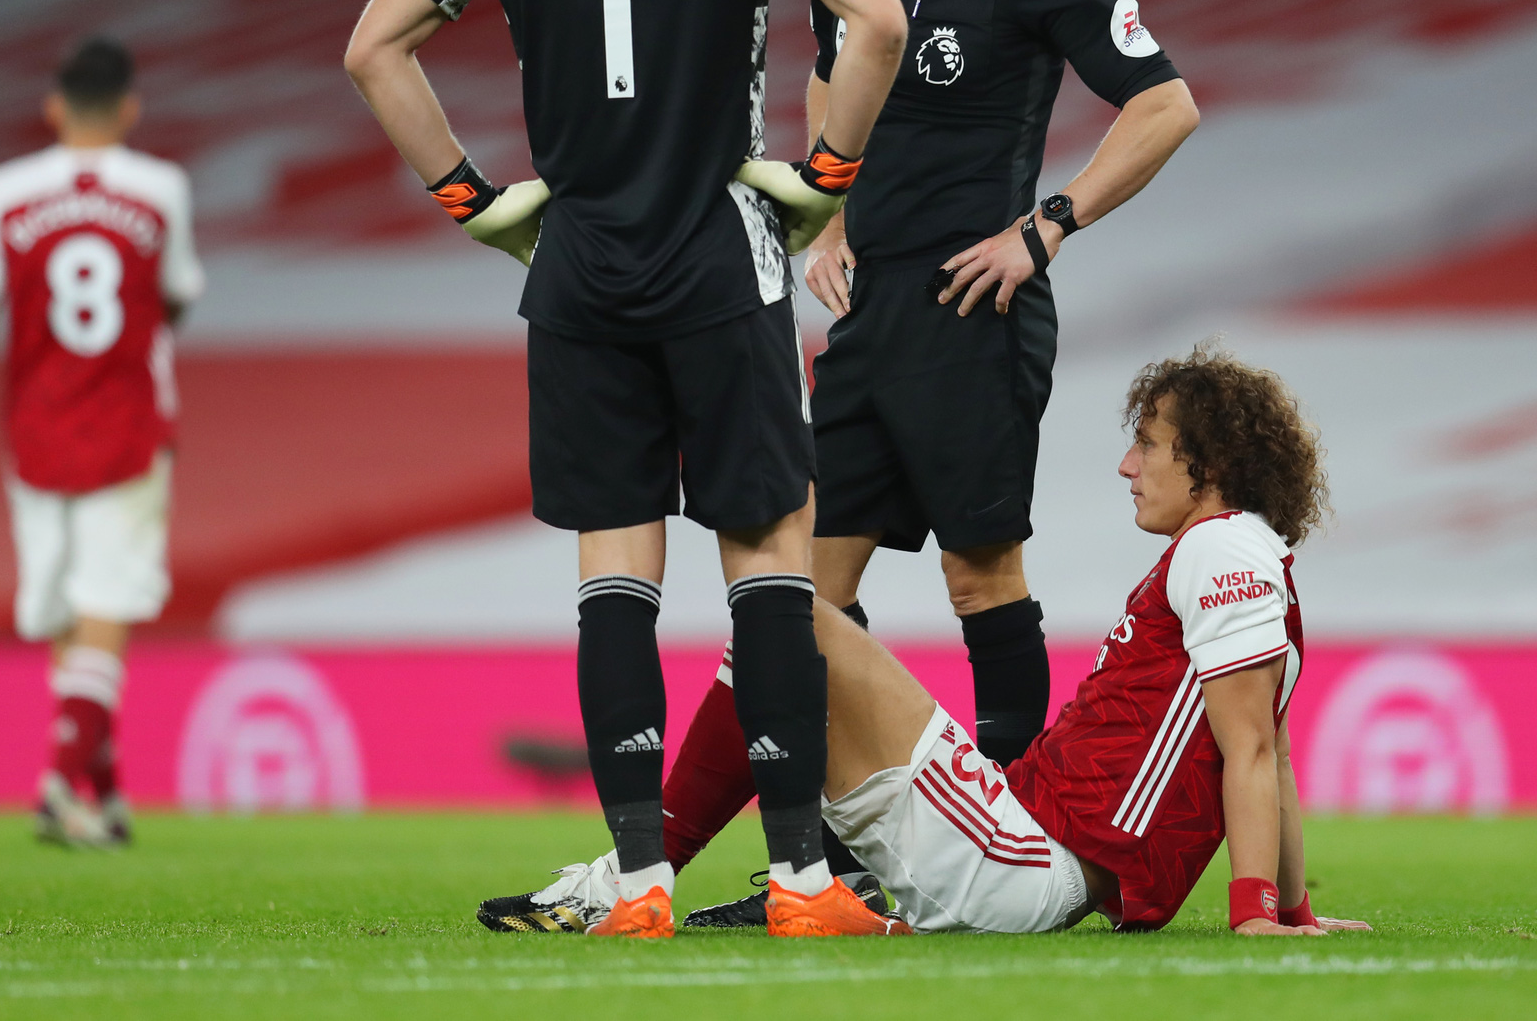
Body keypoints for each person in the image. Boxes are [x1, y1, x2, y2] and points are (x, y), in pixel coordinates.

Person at [342, 0, 908, 939]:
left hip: (581, 262)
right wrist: (823, 180)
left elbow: (372, 47)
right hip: (719, 247)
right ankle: (806, 883)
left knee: (614, 574)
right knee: (768, 555)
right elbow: (870, 20)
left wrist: (472, 201)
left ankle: (640, 879)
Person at [600, 0, 1203, 927]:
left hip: (979, 315)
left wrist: (1047, 226)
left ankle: (1020, 840)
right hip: (871, 318)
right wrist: (820, 213)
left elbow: (1166, 101)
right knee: (799, 594)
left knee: (982, 575)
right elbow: (837, 78)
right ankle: (818, 870)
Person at [485, 346, 1374, 935]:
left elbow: (1253, 750)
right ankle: (789, 879)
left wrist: (1256, 913)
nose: (1127, 465)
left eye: (1148, 444)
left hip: (1024, 859)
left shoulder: (1220, 546)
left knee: (785, 619)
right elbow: (1270, 753)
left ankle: (651, 875)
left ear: (1208, 467)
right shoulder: (1249, 556)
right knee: (784, 626)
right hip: (1020, 840)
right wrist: (1288, 908)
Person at [0, 35, 204, 848]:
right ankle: (61, 783)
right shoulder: (160, 189)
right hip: (128, 424)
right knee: (104, 610)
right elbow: (175, 299)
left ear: (52, 107)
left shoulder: (2, 192)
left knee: (65, 621)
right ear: (130, 109)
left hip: (33, 431)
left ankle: (97, 802)